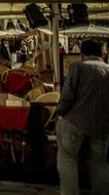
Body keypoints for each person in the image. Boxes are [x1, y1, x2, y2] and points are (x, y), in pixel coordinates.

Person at [55, 39, 109, 195]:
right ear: (102, 54)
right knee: (100, 164)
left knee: (67, 160)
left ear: (82, 54)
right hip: (101, 126)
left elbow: (67, 96)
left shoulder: (79, 67)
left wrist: (61, 112)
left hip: (75, 122)